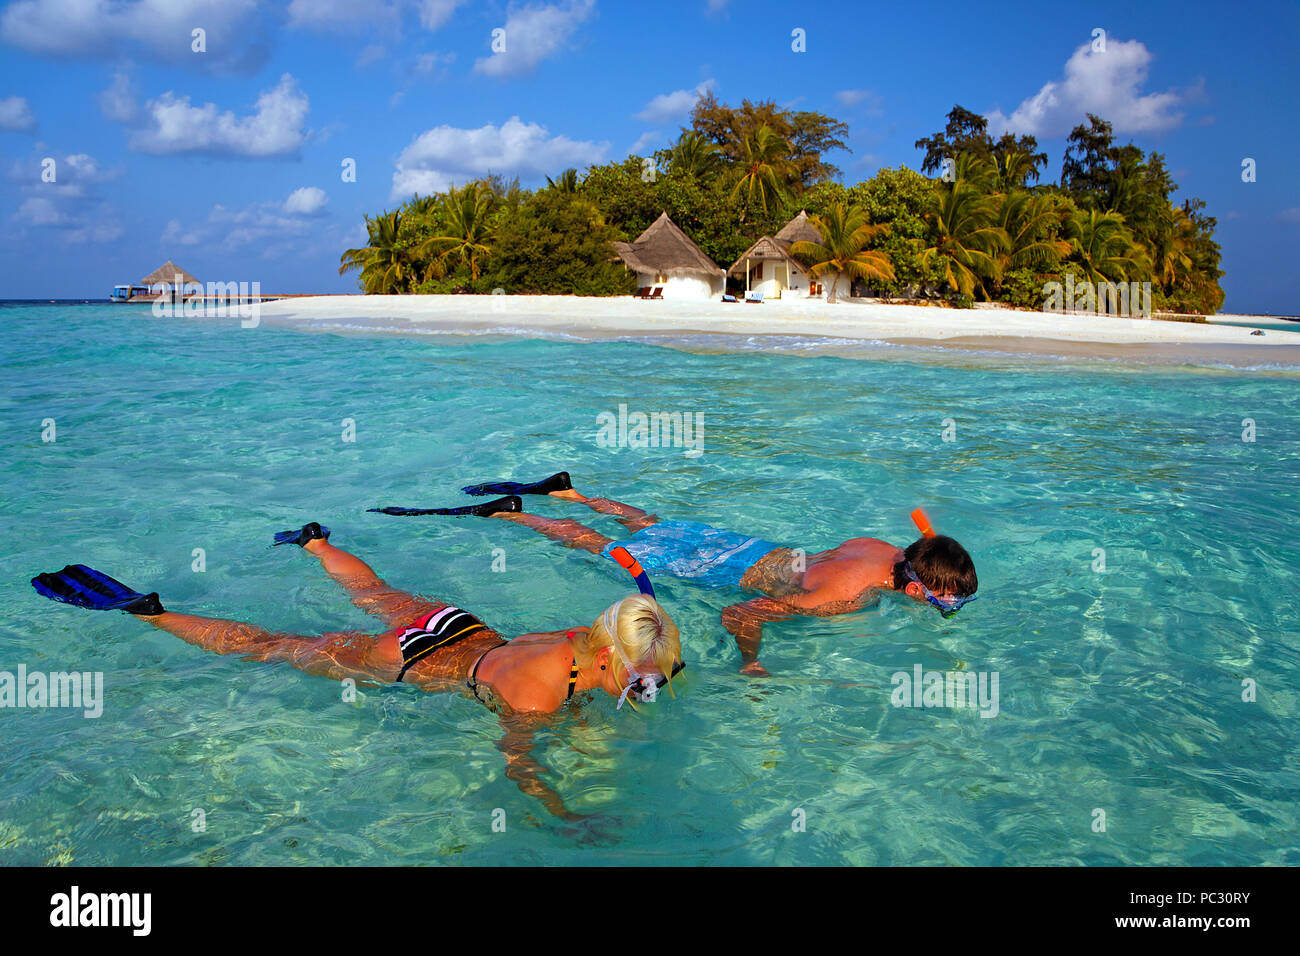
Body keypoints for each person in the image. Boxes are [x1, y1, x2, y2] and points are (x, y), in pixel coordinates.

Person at [30, 522, 683, 819]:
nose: (651, 687)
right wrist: (567, 817)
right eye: (645, 680)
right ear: (609, 659)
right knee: (271, 645)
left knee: (376, 592)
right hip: (411, 660)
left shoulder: (585, 635)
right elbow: (520, 766)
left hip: (462, 625)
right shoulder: (537, 701)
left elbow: (637, 633)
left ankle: (315, 541)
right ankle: (152, 613)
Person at [371, 473, 977, 677]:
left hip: (755, 547)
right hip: (731, 568)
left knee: (651, 521)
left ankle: (572, 491)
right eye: (946, 604)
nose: (946, 611)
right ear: (920, 587)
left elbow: (924, 542)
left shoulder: (888, 550)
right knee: (604, 550)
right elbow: (739, 612)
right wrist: (750, 660)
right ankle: (518, 515)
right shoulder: (843, 595)